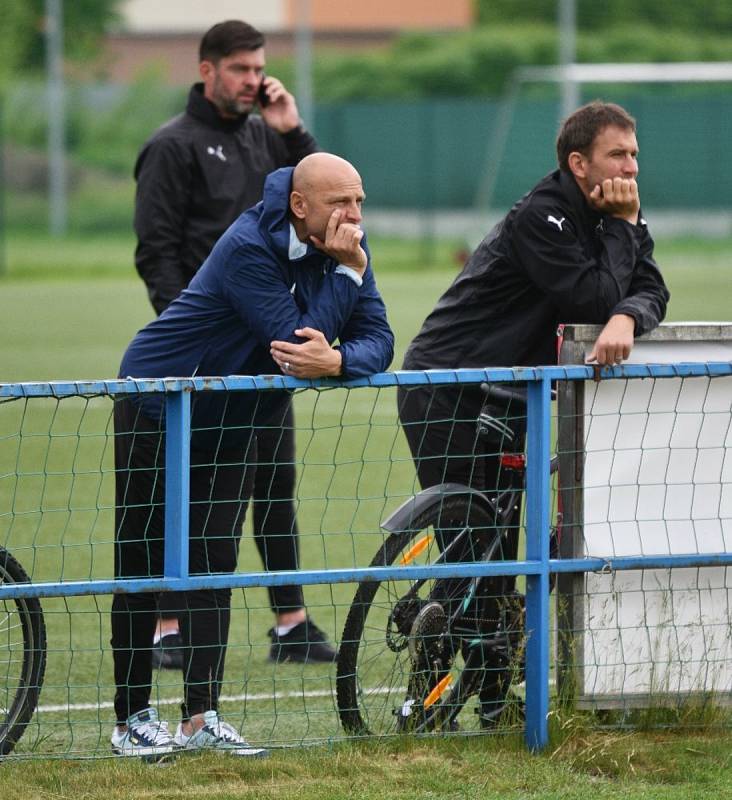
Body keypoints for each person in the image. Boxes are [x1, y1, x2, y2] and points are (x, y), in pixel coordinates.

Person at [111, 152, 394, 758]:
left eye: (360, 201)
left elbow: (379, 338)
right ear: (300, 206)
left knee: (214, 566)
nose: (354, 215)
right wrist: (343, 283)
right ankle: (131, 718)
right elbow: (291, 346)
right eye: (341, 203)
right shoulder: (249, 245)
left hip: (236, 418)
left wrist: (341, 361)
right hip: (160, 402)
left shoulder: (346, 248)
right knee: (145, 562)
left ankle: (198, 718)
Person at [397, 101, 670, 724]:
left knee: (503, 552)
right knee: (473, 547)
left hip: (515, 394)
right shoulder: (542, 214)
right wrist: (622, 256)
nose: (630, 166)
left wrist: (629, 315)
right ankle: (422, 699)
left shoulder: (619, 216)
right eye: (616, 155)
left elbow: (650, 289)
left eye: (634, 154)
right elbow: (590, 297)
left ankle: (494, 702)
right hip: (449, 384)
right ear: (579, 163)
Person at [132, 20, 332, 668]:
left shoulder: (265, 138)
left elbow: (323, 198)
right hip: (199, 364)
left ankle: (291, 624)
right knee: (186, 494)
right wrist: (189, 336)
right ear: (206, 68)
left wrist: (292, 129)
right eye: (240, 69)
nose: (252, 80)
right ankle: (167, 628)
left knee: (275, 486)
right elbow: (156, 254)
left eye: (258, 68)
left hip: (271, 351)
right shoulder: (172, 146)